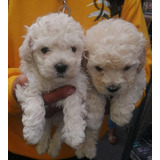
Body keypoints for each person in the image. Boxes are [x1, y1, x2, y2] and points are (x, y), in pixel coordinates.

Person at [8, 0, 152, 159]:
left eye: (73, 49)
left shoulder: (125, 2)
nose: (61, 61)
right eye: (45, 50)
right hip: (13, 140)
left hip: (85, 139)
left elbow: (143, 61)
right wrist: (11, 90)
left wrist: (115, 102)